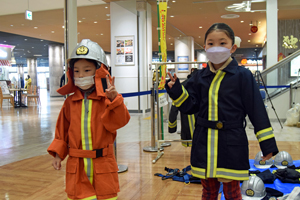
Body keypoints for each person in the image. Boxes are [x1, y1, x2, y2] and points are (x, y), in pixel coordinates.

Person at [165, 23, 278, 200]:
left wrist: (268, 144)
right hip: (204, 142)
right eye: (210, 43)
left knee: (232, 193)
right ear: (205, 47)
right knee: (208, 192)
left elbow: (256, 110)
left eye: (222, 43)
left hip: (232, 142)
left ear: (233, 47)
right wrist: (176, 91)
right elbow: (190, 107)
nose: (216, 47)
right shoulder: (199, 77)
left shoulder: (243, 76)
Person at [47, 39, 130, 200]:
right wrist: (58, 155)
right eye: (76, 71)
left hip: (103, 163)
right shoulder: (69, 103)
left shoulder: (107, 100)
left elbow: (120, 121)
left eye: (86, 70)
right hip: (77, 166)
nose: (81, 75)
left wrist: (115, 101)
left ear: (99, 71)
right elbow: (62, 131)